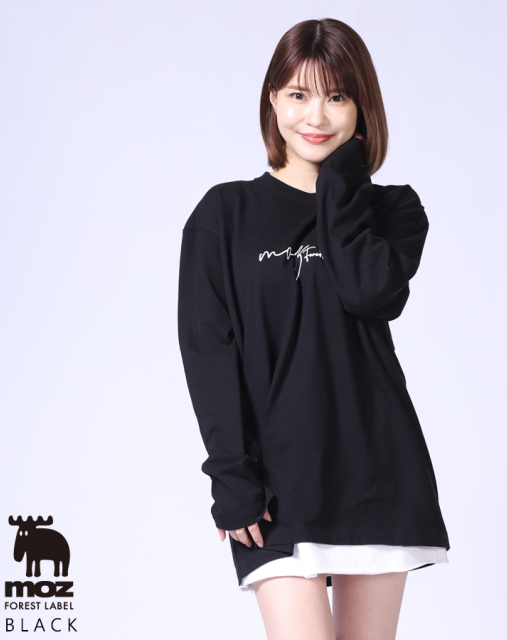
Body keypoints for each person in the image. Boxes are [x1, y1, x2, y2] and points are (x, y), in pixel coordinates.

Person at [177, 18, 450, 640]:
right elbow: (207, 350)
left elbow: (370, 291)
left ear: (362, 108)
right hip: (275, 486)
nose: (317, 116)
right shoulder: (224, 214)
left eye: (338, 96)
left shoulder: (393, 210)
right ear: (273, 99)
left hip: (377, 475)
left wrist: (342, 179)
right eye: (299, 94)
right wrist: (232, 476)